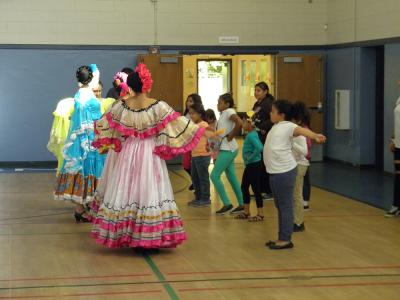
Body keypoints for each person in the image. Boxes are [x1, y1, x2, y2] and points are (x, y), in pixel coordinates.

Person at [90, 63, 204, 249]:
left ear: (132, 86)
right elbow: (179, 123)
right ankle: (148, 237)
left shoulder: (121, 106)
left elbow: (103, 124)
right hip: (149, 153)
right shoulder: (158, 106)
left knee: (126, 189)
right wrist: (200, 129)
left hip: (128, 152)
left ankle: (127, 234)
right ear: (147, 85)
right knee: (149, 188)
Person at [264, 100, 326, 250]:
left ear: (282, 115)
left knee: (285, 206)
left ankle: (285, 239)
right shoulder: (277, 126)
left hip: (284, 172)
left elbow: (302, 131)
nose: (270, 113)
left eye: (273, 111)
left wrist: (315, 136)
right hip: (275, 172)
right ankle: (282, 236)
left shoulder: (288, 126)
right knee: (280, 206)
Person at [54, 64, 106, 223]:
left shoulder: (78, 95)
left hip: (78, 140)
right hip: (90, 140)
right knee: (91, 170)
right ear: (91, 79)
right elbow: (97, 119)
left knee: (81, 171)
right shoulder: (89, 97)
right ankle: (86, 209)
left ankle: (80, 209)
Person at [210, 93, 244, 215]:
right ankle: (242, 204)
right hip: (227, 148)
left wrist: (232, 135)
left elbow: (239, 123)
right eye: (218, 102)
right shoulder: (224, 114)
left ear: (227, 104)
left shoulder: (229, 111)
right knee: (231, 176)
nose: (218, 104)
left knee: (214, 175)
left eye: (220, 102)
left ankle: (227, 204)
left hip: (228, 149)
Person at [235, 113, 264, 221]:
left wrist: (250, 158)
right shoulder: (251, 134)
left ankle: (260, 214)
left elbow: (260, 147)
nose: (241, 124)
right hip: (250, 165)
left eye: (243, 122)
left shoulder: (251, 135)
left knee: (256, 189)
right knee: (244, 187)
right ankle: (246, 212)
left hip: (254, 165)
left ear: (249, 123)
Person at [187, 103, 214, 207]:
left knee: (202, 178)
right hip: (195, 155)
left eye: (193, 113)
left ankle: (205, 198)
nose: (191, 116)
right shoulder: (194, 125)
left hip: (203, 156)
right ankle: (198, 197)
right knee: (195, 178)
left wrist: (209, 146)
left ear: (199, 114)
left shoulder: (203, 125)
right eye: (190, 114)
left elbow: (212, 135)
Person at [252, 82, 275, 200]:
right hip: (256, 136)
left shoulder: (268, 104)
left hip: (265, 136)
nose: (256, 93)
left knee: (264, 163)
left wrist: (261, 127)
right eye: (255, 90)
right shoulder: (257, 104)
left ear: (265, 91)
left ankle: (269, 191)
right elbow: (253, 116)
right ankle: (260, 190)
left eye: (258, 90)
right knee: (258, 163)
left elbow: (272, 119)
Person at [291, 101, 311, 232]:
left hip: (300, 164)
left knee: (297, 194)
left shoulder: (301, 132)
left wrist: (292, 144)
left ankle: (299, 222)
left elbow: (305, 151)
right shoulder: (295, 130)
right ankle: (295, 220)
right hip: (294, 164)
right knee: (294, 194)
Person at [47, 97, 74, 175]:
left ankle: (63, 176)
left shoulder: (65, 104)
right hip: (68, 135)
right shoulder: (68, 105)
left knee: (63, 156)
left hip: (67, 136)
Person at [182, 94, 203, 190]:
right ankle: (195, 181)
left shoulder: (198, 116)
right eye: (187, 100)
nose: (188, 103)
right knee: (186, 165)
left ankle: (197, 183)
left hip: (194, 144)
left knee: (195, 165)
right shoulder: (186, 114)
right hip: (186, 143)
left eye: (191, 101)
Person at [385, 94, 400, 217]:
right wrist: (393, 139)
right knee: (398, 175)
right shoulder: (398, 98)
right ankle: (396, 205)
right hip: (398, 145)